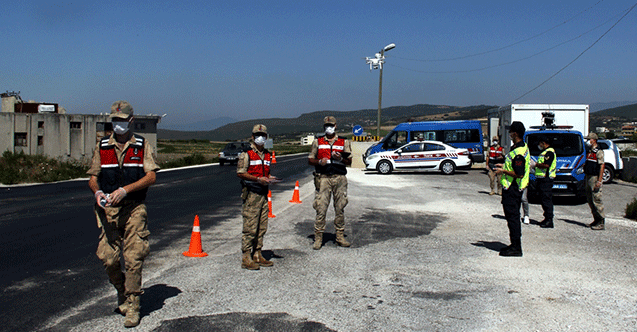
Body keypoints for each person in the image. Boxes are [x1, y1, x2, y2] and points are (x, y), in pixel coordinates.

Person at [87, 101, 159, 328]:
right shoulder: (102, 146)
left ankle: (134, 305)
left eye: (122, 120)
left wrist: (125, 190)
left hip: (133, 207)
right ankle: (122, 293)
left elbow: (151, 177)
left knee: (134, 257)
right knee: (108, 258)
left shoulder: (141, 144)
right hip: (108, 210)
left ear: (130, 120)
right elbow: (92, 176)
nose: (117, 124)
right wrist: (97, 192)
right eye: (114, 120)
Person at [236, 124, 279, 270]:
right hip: (252, 194)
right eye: (257, 135)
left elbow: (264, 173)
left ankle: (258, 254)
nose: (260, 137)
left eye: (263, 135)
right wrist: (257, 179)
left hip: (263, 194)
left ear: (266, 137)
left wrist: (269, 178)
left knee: (262, 226)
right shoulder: (246, 154)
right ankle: (246, 257)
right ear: (253, 137)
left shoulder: (267, 154)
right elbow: (241, 173)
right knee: (250, 227)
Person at [308, 116, 353, 250]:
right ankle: (318, 237)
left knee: (340, 208)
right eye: (326, 126)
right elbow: (310, 160)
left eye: (331, 125)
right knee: (321, 208)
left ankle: (339, 236)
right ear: (324, 127)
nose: (329, 128)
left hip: (339, 178)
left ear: (335, 126)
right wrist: (318, 161)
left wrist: (340, 159)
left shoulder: (343, 142)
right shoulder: (318, 142)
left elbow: (349, 161)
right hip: (323, 178)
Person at [495, 121, 530, 257]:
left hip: (513, 188)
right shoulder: (518, 148)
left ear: (515, 133)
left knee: (513, 218)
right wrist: (504, 165)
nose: (509, 134)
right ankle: (514, 244)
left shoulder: (519, 152)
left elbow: (519, 173)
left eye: (511, 132)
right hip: (512, 187)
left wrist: (502, 171)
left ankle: (516, 248)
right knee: (512, 218)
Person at [584, 132, 606, 230]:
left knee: (596, 199)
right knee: (590, 199)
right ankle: (595, 219)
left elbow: (602, 166)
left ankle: (601, 221)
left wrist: (599, 180)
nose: (588, 141)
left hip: (594, 177)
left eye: (590, 139)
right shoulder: (589, 151)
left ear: (594, 140)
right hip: (588, 176)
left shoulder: (599, 151)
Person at [534, 135, 557, 228]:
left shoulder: (549, 153)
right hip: (542, 179)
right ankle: (546, 218)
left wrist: (536, 164)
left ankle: (549, 220)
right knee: (543, 199)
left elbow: (546, 165)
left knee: (546, 200)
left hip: (546, 179)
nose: (539, 145)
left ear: (544, 143)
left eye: (540, 143)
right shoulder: (544, 152)